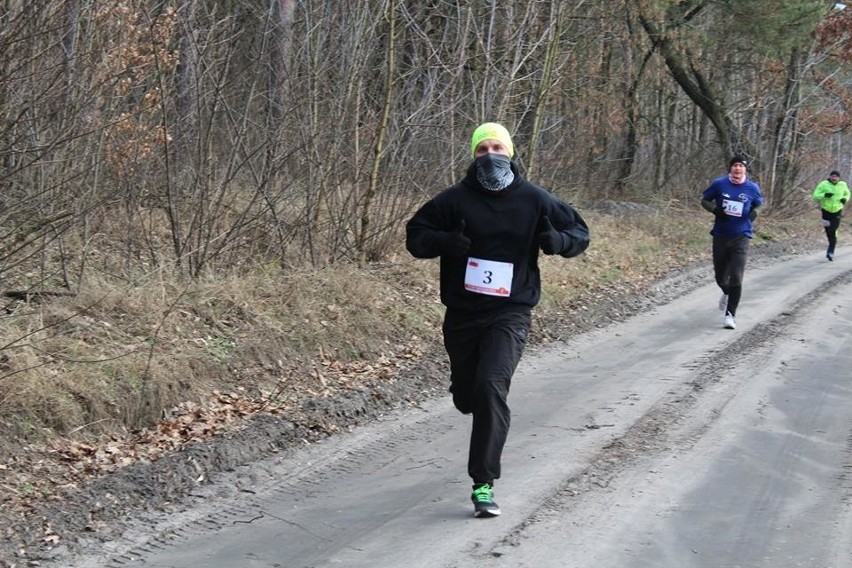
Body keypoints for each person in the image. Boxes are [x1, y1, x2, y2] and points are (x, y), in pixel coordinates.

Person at [405, 122, 590, 518]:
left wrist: (558, 242)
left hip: (511, 312)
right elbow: (415, 235)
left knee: (491, 388)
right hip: (463, 314)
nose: (490, 155)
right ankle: (465, 392)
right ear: (473, 155)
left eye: (497, 147)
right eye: (482, 148)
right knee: (469, 395)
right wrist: (444, 242)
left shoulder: (534, 199)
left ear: (511, 152)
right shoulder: (454, 200)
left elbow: (579, 232)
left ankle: (483, 483)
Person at [700, 155, 764, 330]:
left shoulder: (752, 187)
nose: (737, 169)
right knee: (721, 277)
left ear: (745, 169)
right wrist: (715, 210)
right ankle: (727, 292)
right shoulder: (719, 184)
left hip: (741, 236)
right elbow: (704, 200)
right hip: (721, 235)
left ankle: (730, 315)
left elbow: (759, 204)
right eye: (734, 166)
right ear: (730, 168)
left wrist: (754, 214)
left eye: (741, 166)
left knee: (736, 276)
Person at [811, 170, 850, 261]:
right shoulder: (823, 184)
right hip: (825, 211)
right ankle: (831, 246)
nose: (834, 178)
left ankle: (830, 251)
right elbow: (815, 196)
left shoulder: (843, 184)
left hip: (837, 210)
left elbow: (847, 194)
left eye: (836, 176)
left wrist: (845, 199)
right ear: (830, 176)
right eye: (833, 176)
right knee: (828, 231)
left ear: (839, 178)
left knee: (833, 229)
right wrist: (824, 195)